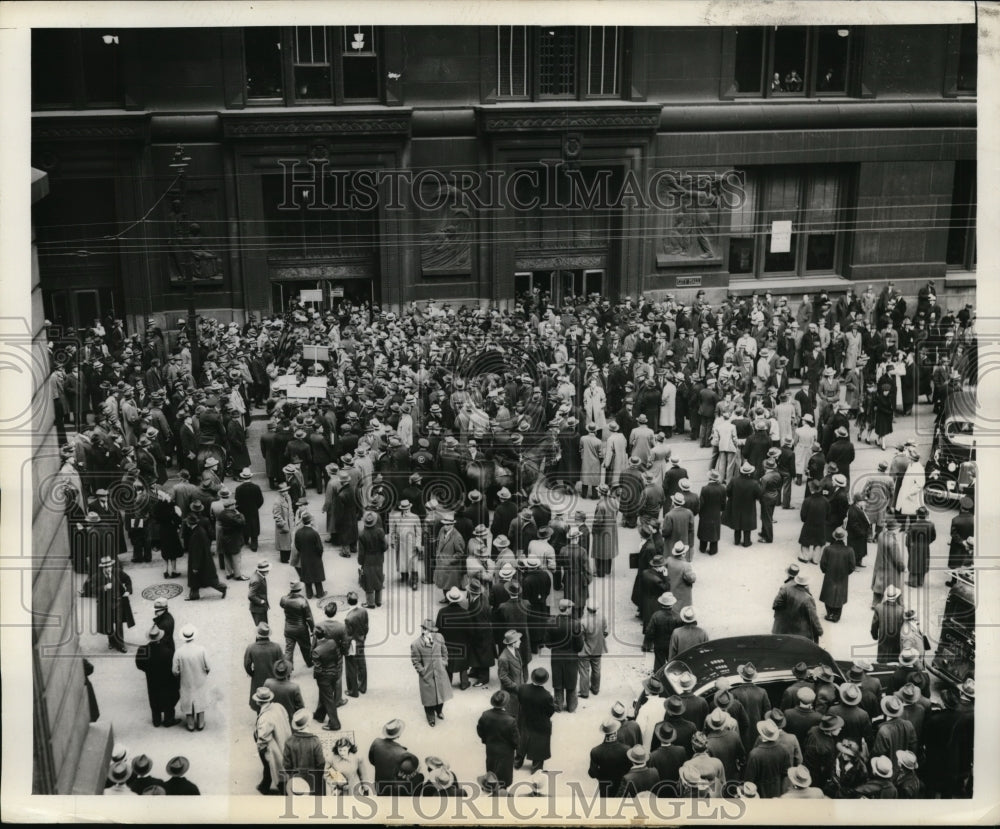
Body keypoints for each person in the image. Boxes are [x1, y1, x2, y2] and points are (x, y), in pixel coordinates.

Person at [410, 618, 452, 727]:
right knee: (429, 699)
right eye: (428, 630)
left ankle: (439, 711)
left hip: (440, 672)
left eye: (432, 631)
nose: (431, 633)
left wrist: (444, 662)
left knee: (441, 694)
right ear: (423, 629)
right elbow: (416, 661)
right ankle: (430, 717)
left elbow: (444, 651)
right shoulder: (416, 644)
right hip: (427, 675)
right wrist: (423, 672)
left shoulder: (439, 637)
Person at [135, 626, 180, 728]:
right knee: (168, 697)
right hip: (166, 679)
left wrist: (148, 670)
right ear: (160, 638)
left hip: (152, 679)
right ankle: (169, 719)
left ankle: (156, 720)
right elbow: (173, 666)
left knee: (153, 697)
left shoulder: (143, 650)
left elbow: (139, 665)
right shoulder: (168, 651)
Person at [515, 667, 557, 773]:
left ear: (532, 678)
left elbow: (520, 701)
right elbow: (550, 711)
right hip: (540, 723)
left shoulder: (522, 688)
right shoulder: (547, 696)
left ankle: (517, 762)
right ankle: (536, 768)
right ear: (545, 680)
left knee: (522, 740)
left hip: (524, 719)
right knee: (539, 744)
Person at [476, 690, 520, 788]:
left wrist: (486, 740)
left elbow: (480, 730)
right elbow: (516, 739)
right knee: (504, 773)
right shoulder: (510, 720)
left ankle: (490, 786)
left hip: (491, 748)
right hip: (506, 752)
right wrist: (516, 747)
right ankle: (503, 790)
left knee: (491, 770)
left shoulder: (485, 715)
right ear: (506, 703)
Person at [253, 686, 292, 795]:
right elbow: (287, 717)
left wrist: (261, 749)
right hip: (284, 740)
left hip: (271, 748)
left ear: (258, 702)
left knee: (274, 768)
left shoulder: (265, 717)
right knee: (272, 768)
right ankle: (264, 786)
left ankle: (284, 792)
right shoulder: (278, 706)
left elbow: (263, 737)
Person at [172, 625, 211, 732]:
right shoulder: (201, 650)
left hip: (186, 680)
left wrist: (180, 675)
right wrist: (204, 673)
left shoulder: (179, 652)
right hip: (200, 679)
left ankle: (190, 724)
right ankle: (201, 723)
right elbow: (208, 666)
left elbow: (175, 670)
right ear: (193, 636)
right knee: (200, 697)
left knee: (187, 699)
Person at [548, 598, 584, 713]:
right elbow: (579, 646)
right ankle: (571, 707)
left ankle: (558, 706)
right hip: (571, 658)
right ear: (568, 609)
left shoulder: (551, 622)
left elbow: (547, 644)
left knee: (558, 683)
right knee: (571, 682)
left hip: (556, 657)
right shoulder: (575, 624)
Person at [283, 709, 327, 796]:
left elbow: (287, 766)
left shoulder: (289, 741)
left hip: (297, 780)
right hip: (314, 780)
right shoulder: (315, 741)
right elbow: (321, 763)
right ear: (308, 723)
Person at [744, 720, 791, 798]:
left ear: (761, 734)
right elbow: (786, 773)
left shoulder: (754, 754)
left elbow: (749, 780)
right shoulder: (784, 750)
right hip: (777, 790)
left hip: (759, 792)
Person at [95, 556, 134, 652]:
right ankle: (111, 641)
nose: (109, 569)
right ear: (102, 568)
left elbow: (128, 579)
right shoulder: (98, 577)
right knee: (109, 624)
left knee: (119, 623)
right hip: (106, 605)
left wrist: (128, 590)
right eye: (106, 567)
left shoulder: (117, 572)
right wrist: (104, 587)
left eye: (110, 566)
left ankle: (121, 644)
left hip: (119, 602)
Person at [243, 621, 283, 709]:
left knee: (260, 701)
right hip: (274, 679)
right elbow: (281, 665)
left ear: (257, 635)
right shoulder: (276, 647)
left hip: (258, 679)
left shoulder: (251, 647)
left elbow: (247, 665)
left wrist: (253, 674)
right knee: (273, 703)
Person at [819, 527, 856, 622]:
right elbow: (852, 566)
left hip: (829, 575)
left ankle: (829, 613)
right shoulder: (849, 550)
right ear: (844, 538)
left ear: (834, 537)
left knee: (828, 593)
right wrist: (846, 573)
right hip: (842, 576)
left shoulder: (828, 549)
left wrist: (826, 571)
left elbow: (823, 564)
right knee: (840, 594)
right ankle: (836, 615)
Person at [588, 718, 632, 797]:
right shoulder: (626, 749)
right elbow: (629, 769)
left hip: (605, 786)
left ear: (604, 732)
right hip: (621, 787)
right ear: (616, 731)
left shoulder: (595, 751)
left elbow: (592, 774)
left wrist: (601, 776)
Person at [279, 582, 315, 670]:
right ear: (300, 589)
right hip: (301, 629)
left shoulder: (284, 599)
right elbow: (309, 617)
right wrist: (313, 629)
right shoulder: (302, 601)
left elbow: (282, 605)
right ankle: (309, 662)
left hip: (288, 628)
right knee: (306, 647)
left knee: (288, 650)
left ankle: (287, 670)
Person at [369, 719, 409, 795]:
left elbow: (371, 759)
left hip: (379, 783)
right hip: (392, 786)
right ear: (398, 735)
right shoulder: (401, 750)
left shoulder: (376, 742)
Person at [578, 600, 608, 699]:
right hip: (598, 649)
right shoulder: (602, 618)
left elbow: (580, 637)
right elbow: (605, 632)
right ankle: (595, 689)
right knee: (596, 669)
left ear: (587, 609)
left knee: (584, 671)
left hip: (585, 650)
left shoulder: (583, 621)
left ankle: (584, 692)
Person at [359, 511, 388, 608]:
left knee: (369, 580)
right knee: (379, 577)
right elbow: (385, 546)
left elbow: (361, 552)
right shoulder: (380, 531)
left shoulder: (362, 534)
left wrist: (360, 562)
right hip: (379, 558)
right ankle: (378, 601)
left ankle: (370, 603)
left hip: (367, 559)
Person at [293, 512, 326, 599]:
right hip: (315, 558)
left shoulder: (298, 532)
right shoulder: (314, 533)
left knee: (307, 576)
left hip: (304, 557)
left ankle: (309, 594)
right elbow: (320, 548)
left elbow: (297, 546)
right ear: (310, 521)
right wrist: (319, 555)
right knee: (317, 576)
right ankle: (320, 593)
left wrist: (303, 552)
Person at [344, 592, 369, 697]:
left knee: (351, 667)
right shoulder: (363, 611)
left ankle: (353, 691)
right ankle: (363, 687)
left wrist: (345, 648)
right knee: (362, 664)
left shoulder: (348, 618)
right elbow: (366, 626)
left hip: (352, 644)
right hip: (361, 640)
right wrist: (363, 637)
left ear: (347, 601)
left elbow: (348, 635)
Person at [248, 560, 271, 627]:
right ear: (262, 571)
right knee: (262, 629)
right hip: (258, 610)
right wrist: (261, 601)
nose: (268, 571)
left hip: (260, 608)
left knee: (263, 628)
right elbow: (250, 595)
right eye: (267, 570)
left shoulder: (257, 574)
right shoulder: (257, 580)